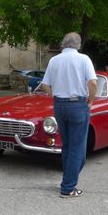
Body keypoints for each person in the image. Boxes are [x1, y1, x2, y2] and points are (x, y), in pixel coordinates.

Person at [41, 32, 97, 198]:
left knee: (67, 146)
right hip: (77, 104)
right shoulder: (84, 59)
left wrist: (55, 96)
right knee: (77, 149)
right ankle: (68, 187)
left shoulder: (54, 60)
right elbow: (93, 83)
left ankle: (67, 180)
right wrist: (90, 101)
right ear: (78, 45)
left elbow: (45, 85)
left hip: (59, 105)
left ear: (63, 44)